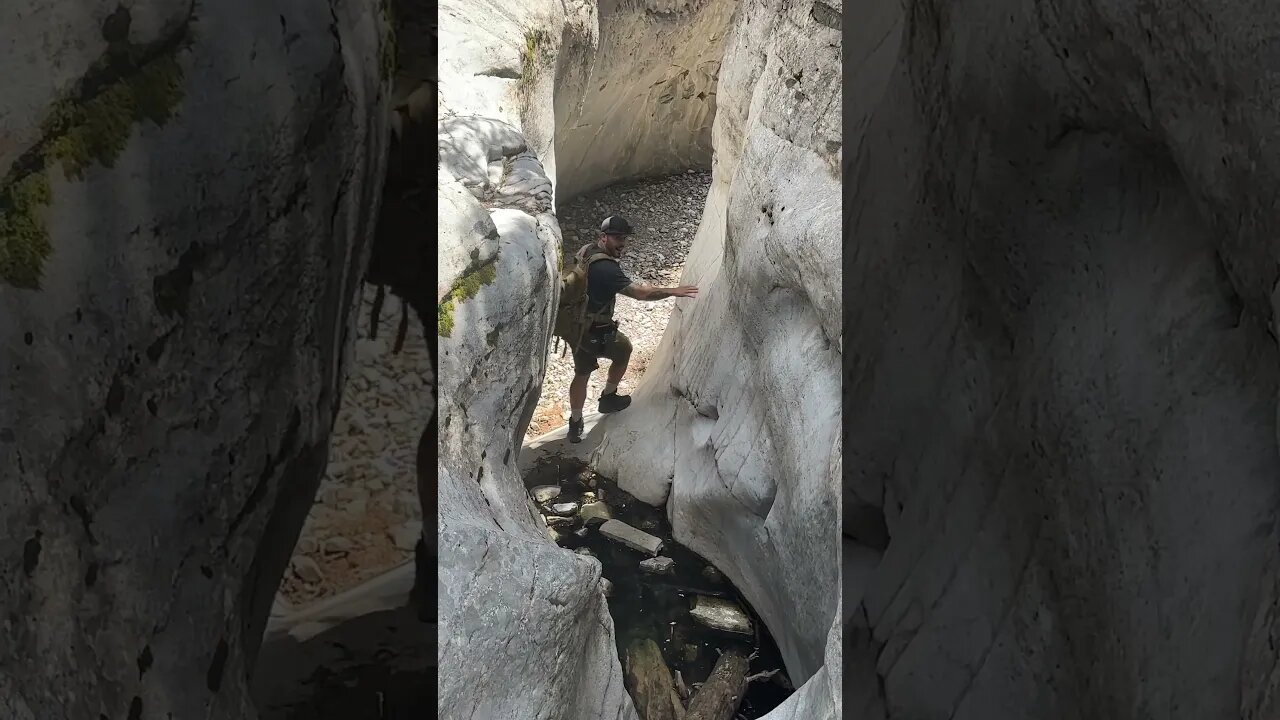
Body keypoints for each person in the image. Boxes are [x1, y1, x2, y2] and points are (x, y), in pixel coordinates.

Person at [567, 215, 699, 443]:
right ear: (603, 238)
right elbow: (640, 293)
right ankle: (608, 397)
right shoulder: (607, 269)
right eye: (618, 238)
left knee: (582, 372)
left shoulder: (587, 250)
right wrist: (673, 290)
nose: (623, 244)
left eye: (624, 238)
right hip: (594, 329)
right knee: (624, 349)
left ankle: (575, 422)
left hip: (575, 324)